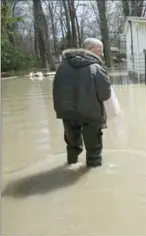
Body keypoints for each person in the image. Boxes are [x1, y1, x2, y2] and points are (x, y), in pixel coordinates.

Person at [53, 38, 111, 168]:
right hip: (91, 113)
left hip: (67, 113)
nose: (101, 53)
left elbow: (56, 93)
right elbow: (105, 95)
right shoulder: (96, 68)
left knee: (72, 145)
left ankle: (71, 165)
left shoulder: (62, 68)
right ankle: (94, 177)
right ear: (90, 48)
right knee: (93, 149)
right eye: (100, 50)